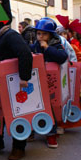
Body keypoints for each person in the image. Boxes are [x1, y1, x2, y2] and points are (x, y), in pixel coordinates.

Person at [0, 20, 33, 160]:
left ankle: (19, 147)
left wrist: (24, 77)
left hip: (15, 82)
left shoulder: (11, 36)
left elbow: (25, 53)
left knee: (17, 113)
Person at [30, 18, 68, 148]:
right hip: (36, 81)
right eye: (39, 33)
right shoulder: (35, 45)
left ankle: (51, 134)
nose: (41, 36)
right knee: (33, 105)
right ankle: (32, 129)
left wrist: (47, 48)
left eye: (44, 34)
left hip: (51, 83)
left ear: (51, 34)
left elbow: (63, 57)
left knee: (49, 108)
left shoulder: (57, 44)